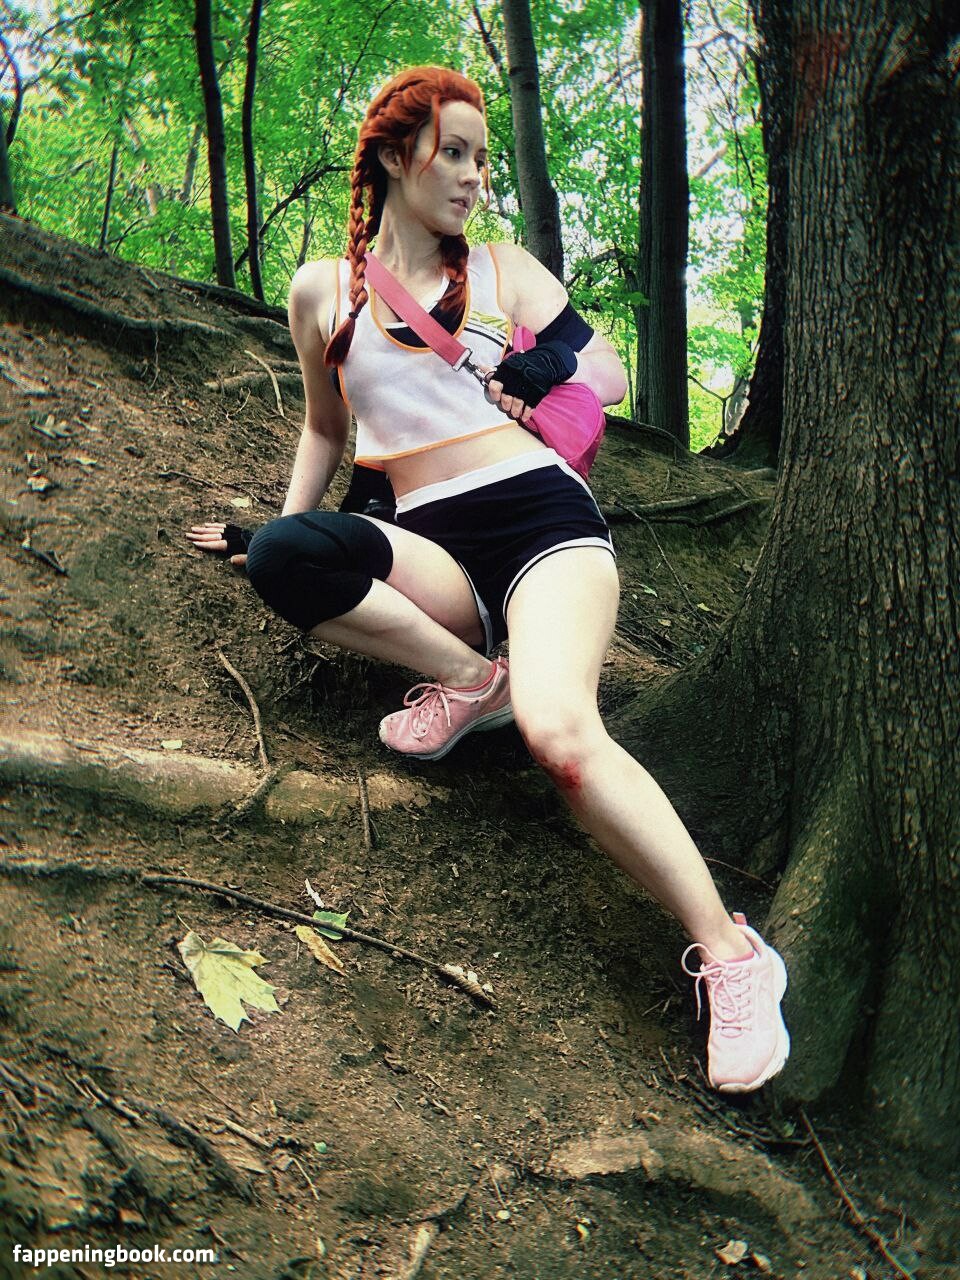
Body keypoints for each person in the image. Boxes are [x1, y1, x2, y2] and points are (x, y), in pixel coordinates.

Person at [187, 66, 789, 1093]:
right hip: (433, 544)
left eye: (482, 159)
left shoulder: (505, 271)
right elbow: (327, 427)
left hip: (544, 523)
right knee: (288, 557)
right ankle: (475, 678)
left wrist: (548, 366)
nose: (473, 177)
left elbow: (609, 372)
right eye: (453, 153)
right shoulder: (322, 291)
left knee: (562, 737)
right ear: (394, 156)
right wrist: (279, 525)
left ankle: (733, 957)